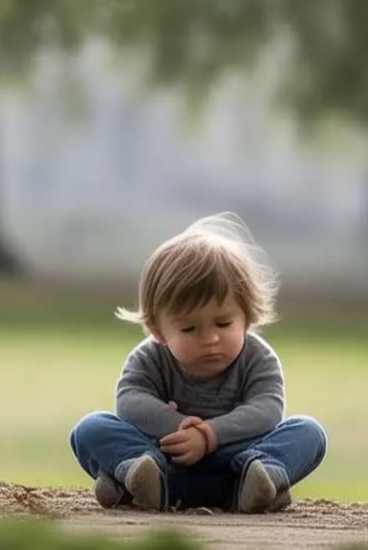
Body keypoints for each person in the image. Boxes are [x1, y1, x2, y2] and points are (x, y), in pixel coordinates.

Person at [69, 213, 327, 513]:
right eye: (189, 329)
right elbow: (129, 401)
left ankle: (259, 481)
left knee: (309, 432)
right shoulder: (149, 357)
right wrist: (178, 427)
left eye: (223, 322)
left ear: (247, 316)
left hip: (236, 465)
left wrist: (209, 435)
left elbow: (267, 410)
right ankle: (140, 476)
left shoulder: (258, 358)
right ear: (157, 330)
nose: (209, 338)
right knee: (90, 428)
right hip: (165, 460)